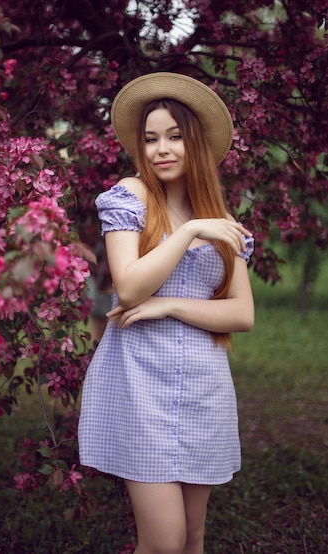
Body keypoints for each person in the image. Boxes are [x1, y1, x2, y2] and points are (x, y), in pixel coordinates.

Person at [78, 72, 255, 554]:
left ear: (193, 143)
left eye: (175, 137)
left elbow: (242, 314)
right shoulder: (130, 196)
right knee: (164, 540)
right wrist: (189, 230)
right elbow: (130, 287)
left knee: (193, 540)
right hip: (139, 386)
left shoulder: (220, 220)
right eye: (151, 139)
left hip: (203, 388)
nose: (162, 148)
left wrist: (171, 304)